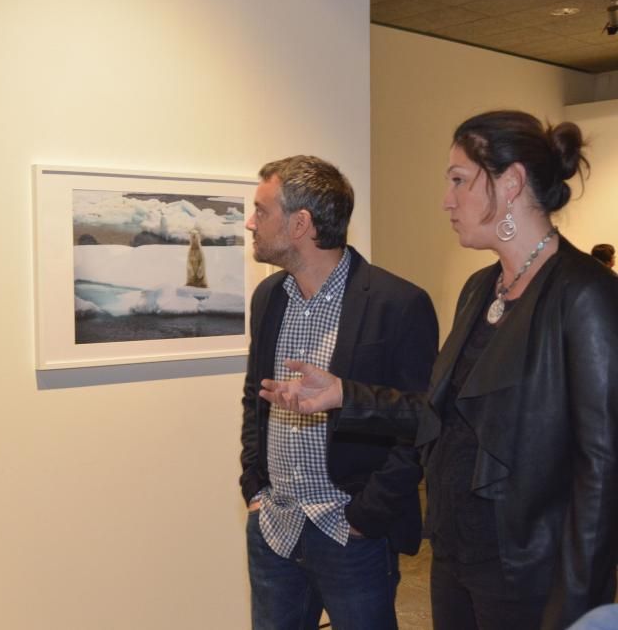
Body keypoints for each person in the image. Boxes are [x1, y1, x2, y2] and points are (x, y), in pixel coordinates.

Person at [261, 111, 618, 630]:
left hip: (531, 572)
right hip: (455, 555)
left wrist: (578, 605)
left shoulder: (586, 294)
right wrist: (345, 395)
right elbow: (439, 413)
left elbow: (603, 470)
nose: (446, 200)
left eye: (458, 180)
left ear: (511, 182)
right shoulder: (481, 289)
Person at [240, 155, 439, 630]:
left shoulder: (398, 304)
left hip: (351, 531)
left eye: (262, 210)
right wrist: (254, 487)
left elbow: (421, 420)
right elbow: (255, 397)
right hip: (274, 526)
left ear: (300, 224)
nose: (251, 222)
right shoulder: (268, 298)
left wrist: (367, 515)